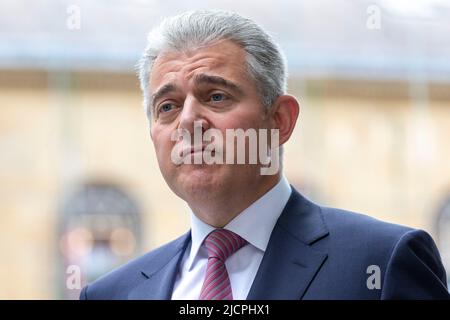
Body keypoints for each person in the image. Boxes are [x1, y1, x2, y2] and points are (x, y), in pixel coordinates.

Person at [80, 10, 449, 300]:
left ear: (280, 120)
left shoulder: (381, 263)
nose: (188, 121)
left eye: (216, 96)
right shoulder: (110, 293)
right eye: (168, 106)